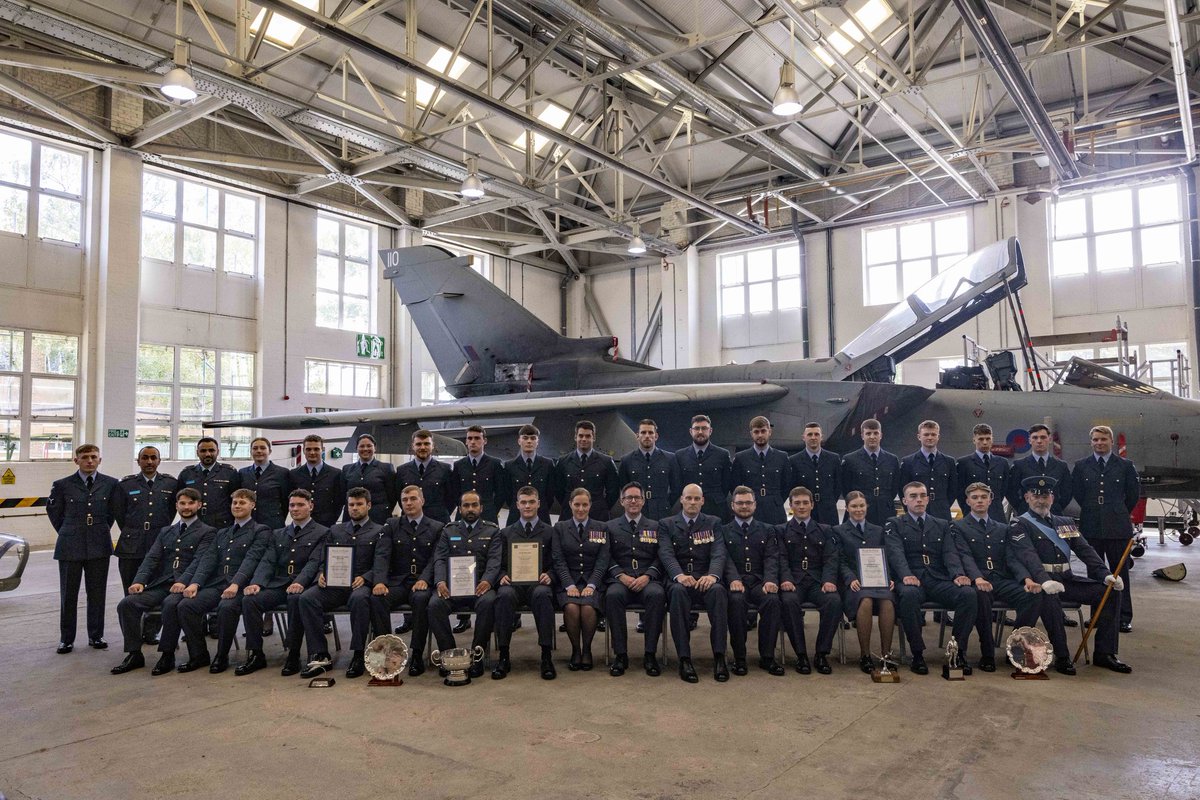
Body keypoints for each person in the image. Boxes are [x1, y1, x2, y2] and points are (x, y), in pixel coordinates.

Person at [1009, 475, 1131, 674]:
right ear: (1027, 498)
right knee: (1049, 600)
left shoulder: (1064, 523)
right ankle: (1062, 656)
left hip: (1067, 580)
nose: (1041, 500)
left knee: (1109, 592)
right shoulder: (1020, 525)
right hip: (1042, 584)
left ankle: (1105, 653)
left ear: (1052, 498)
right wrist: (1045, 580)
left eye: (1046, 495)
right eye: (1036, 495)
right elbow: (1028, 556)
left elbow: (1085, 550)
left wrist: (1105, 574)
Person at [111, 488, 216, 675]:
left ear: (199, 505)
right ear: (176, 506)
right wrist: (139, 581)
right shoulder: (167, 531)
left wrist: (184, 581)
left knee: (170, 605)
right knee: (127, 604)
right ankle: (134, 654)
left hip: (188, 586)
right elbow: (151, 559)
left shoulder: (208, 532)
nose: (186, 507)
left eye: (191, 503)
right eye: (182, 503)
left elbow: (199, 561)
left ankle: (167, 654)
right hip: (162, 584)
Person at [174, 488, 270, 674]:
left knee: (226, 607)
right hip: (219, 584)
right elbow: (208, 560)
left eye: (242, 502)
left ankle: (222, 655)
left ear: (252, 505)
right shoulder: (222, 534)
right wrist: (195, 583)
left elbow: (252, 558)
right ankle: (199, 654)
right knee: (186, 606)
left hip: (244, 586)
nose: (237, 506)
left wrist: (236, 583)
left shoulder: (260, 531)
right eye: (234, 502)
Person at [234, 489, 329, 676]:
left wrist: (301, 581)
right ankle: (255, 654)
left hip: (305, 584)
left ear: (311, 506)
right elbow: (268, 561)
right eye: (292, 505)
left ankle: (293, 654)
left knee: (295, 599)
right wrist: (257, 583)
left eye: (300, 505)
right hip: (279, 584)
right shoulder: (278, 533)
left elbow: (314, 562)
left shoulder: (322, 532)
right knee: (250, 600)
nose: (295, 509)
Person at [886, 482, 977, 675]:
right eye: (913, 496)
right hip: (911, 578)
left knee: (968, 594)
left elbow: (950, 553)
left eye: (922, 495)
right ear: (904, 501)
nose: (918, 499)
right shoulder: (895, 524)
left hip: (937, 578)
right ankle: (917, 653)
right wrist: (905, 575)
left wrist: (958, 575)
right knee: (908, 596)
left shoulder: (942, 524)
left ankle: (957, 652)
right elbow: (896, 553)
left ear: (928, 499)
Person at [296, 487, 385, 679]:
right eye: (351, 504)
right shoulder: (335, 530)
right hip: (334, 585)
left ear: (368, 505)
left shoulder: (379, 531)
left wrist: (367, 577)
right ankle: (320, 654)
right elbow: (322, 556)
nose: (355, 508)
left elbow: (382, 562)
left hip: (361, 585)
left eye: (359, 504)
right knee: (307, 598)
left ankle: (358, 654)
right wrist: (321, 573)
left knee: (359, 600)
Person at [952, 482, 1042, 671]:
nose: (979, 501)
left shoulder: (1002, 528)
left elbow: (1011, 558)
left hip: (1001, 579)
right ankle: (987, 653)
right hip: (979, 580)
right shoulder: (959, 527)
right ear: (967, 501)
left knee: (1032, 596)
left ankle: (1017, 648)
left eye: (983, 497)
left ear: (991, 500)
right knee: (981, 597)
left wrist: (1025, 579)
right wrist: (977, 578)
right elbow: (964, 556)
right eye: (975, 498)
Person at [48, 444, 122, 654]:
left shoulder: (110, 484)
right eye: (85, 457)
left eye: (93, 457)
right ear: (76, 460)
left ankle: (96, 635)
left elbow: (112, 513)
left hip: (99, 545)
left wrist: (98, 530)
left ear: (100, 460)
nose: (89, 461)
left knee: (97, 593)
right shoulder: (62, 485)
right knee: (68, 594)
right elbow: (55, 512)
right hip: (70, 545)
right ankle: (66, 639)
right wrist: (68, 531)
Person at [1071, 425, 1140, 633]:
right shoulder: (1082, 466)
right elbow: (1079, 494)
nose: (1099, 443)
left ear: (1112, 442)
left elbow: (1132, 496)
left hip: (1118, 527)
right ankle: (1097, 616)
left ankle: (1123, 617)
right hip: (1092, 525)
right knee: (1095, 573)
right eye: (1095, 440)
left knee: (1120, 572)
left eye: (1103, 439)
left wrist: (1116, 511)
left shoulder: (1125, 465)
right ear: (1091, 442)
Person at [659, 483, 728, 683]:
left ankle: (719, 657)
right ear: (681, 499)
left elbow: (718, 552)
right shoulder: (667, 524)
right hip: (679, 580)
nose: (692, 502)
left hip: (705, 579)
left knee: (718, 592)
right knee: (678, 593)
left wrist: (713, 575)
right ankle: (684, 659)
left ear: (703, 501)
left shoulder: (713, 522)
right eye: (688, 498)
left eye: (697, 499)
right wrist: (678, 575)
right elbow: (666, 553)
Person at [428, 491, 501, 678]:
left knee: (489, 602)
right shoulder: (448, 530)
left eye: (474, 505)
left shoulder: (492, 531)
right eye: (466, 505)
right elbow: (440, 559)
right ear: (460, 509)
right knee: (435, 604)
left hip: (480, 587)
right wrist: (440, 581)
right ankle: (449, 656)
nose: (470, 509)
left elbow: (494, 561)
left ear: (481, 508)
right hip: (452, 588)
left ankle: (477, 656)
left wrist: (487, 581)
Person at [372, 485, 441, 677]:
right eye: (405, 500)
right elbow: (382, 555)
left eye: (413, 499)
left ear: (422, 501)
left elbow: (436, 558)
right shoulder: (392, 525)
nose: (409, 503)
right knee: (378, 599)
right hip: (398, 582)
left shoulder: (436, 527)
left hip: (421, 582)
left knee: (421, 600)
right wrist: (379, 581)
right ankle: (386, 652)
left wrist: (425, 579)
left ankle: (417, 654)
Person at [831, 491, 902, 673]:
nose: (858, 509)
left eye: (861, 505)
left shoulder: (878, 530)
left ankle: (886, 655)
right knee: (866, 601)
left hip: (878, 580)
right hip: (855, 584)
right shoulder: (838, 531)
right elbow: (839, 561)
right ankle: (865, 655)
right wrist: (850, 578)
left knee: (887, 601)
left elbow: (887, 557)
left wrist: (890, 578)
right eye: (854, 506)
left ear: (867, 507)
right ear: (846, 508)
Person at [114, 446, 178, 644]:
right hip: (131, 546)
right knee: (131, 591)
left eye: (153, 458)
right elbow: (119, 513)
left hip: (160, 544)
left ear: (159, 461)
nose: (149, 462)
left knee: (158, 589)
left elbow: (171, 511)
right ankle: (131, 634)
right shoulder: (125, 484)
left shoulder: (170, 483)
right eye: (145, 458)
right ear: (138, 460)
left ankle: (151, 632)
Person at [494, 486, 558, 679]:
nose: (527, 506)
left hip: (538, 584)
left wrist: (551, 575)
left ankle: (546, 656)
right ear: (517, 505)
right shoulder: (505, 533)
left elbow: (558, 562)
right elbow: (498, 563)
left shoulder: (550, 532)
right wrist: (501, 576)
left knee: (543, 594)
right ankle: (504, 655)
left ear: (538, 503)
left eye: (531, 502)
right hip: (513, 584)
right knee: (503, 595)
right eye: (523, 502)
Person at [604, 482, 667, 677]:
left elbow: (662, 556)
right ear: (622, 501)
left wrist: (648, 575)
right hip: (620, 580)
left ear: (643, 500)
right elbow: (605, 557)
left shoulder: (656, 526)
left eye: (637, 498)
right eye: (629, 498)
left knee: (657, 595)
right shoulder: (610, 526)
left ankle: (650, 654)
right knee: (612, 596)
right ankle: (620, 655)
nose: (633, 501)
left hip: (647, 580)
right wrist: (620, 575)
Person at [777, 487, 842, 675]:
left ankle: (821, 653)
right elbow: (780, 558)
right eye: (797, 503)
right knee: (788, 601)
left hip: (817, 581)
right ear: (790, 505)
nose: (802, 506)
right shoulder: (781, 530)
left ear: (812, 505)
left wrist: (828, 580)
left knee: (834, 601)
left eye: (806, 502)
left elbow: (831, 558)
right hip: (794, 581)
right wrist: (786, 579)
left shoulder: (825, 529)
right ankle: (801, 654)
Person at [722, 487, 784, 676]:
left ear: (755, 505)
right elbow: (724, 558)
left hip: (759, 581)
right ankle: (740, 658)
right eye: (740, 503)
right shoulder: (723, 531)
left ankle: (767, 657)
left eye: (748, 502)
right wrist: (733, 579)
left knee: (772, 601)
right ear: (732, 506)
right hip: (736, 582)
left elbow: (772, 558)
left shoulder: (767, 530)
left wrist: (770, 580)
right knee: (736, 602)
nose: (744, 506)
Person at [838, 419, 901, 527]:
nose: (872, 437)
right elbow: (846, 488)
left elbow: (894, 487)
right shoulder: (850, 460)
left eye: (876, 433)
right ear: (862, 436)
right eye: (868, 433)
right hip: (860, 512)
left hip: (885, 512)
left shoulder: (892, 460)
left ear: (881, 435)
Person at [554, 420, 620, 522]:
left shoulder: (606, 462)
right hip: (569, 517)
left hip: (597, 517)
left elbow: (613, 491)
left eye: (588, 436)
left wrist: (601, 507)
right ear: (575, 437)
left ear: (594, 438)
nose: (584, 439)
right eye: (581, 436)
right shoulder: (563, 462)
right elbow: (558, 490)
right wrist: (570, 505)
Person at [730, 416, 791, 525]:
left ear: (769, 432)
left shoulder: (782, 457)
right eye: (756, 432)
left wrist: (778, 500)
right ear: (751, 433)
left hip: (775, 510)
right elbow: (735, 486)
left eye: (763, 431)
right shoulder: (741, 458)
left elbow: (787, 484)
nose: (760, 435)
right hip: (751, 510)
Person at [617, 419, 681, 522]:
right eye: (643, 432)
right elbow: (623, 487)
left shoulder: (670, 459)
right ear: (637, 436)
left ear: (656, 436)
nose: (647, 436)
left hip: (662, 513)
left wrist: (665, 503)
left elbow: (676, 488)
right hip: (638, 512)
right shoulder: (627, 460)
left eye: (650, 432)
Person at [674, 414, 733, 522]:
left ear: (710, 431)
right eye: (697, 428)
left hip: (716, 510)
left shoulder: (722, 455)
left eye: (704, 428)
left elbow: (726, 484)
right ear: (691, 431)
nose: (700, 432)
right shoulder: (680, 456)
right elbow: (677, 484)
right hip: (689, 511)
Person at [1007, 423, 1073, 516]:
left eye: (1043, 437)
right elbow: (1011, 492)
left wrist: (1056, 507)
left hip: (1053, 515)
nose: (1039, 441)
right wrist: (1022, 507)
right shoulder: (1019, 465)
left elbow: (1067, 493)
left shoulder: (1061, 466)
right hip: (1027, 515)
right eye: (1035, 438)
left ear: (1049, 439)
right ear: (1029, 440)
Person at [899, 420, 959, 520]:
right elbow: (902, 490)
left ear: (938, 437)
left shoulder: (949, 462)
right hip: (916, 511)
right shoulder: (908, 462)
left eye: (933, 434)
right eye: (926, 434)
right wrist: (910, 509)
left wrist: (943, 505)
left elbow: (953, 489)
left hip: (942, 513)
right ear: (919, 437)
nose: (930, 437)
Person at [177, 437, 241, 529]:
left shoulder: (229, 472)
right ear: (197, 452)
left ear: (217, 452)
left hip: (222, 525)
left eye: (211, 450)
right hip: (193, 524)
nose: (207, 454)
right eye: (203, 451)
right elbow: (180, 500)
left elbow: (235, 500)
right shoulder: (186, 473)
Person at [500, 424, 555, 525]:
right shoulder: (509, 466)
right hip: (516, 518)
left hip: (541, 517)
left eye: (533, 438)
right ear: (519, 441)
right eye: (525, 438)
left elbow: (550, 495)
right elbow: (508, 495)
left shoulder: (548, 464)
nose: (529, 441)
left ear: (537, 442)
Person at [396, 429, 455, 523]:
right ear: (413, 446)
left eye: (426, 444)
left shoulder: (445, 469)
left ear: (433, 446)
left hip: (438, 522)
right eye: (418, 444)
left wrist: (439, 513)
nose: (422, 447)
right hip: (411, 522)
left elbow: (451, 499)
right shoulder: (402, 470)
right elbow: (399, 498)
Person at [788, 422, 841, 526]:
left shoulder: (833, 459)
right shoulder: (794, 461)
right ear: (803, 437)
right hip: (805, 512)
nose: (813, 437)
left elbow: (838, 486)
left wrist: (828, 501)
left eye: (816, 434)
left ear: (822, 437)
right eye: (809, 434)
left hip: (828, 512)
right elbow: (792, 487)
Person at [955, 424, 1010, 522]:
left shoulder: (1002, 463)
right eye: (980, 439)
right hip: (972, 514)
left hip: (997, 515)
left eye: (988, 439)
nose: (985, 442)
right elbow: (960, 492)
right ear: (974, 440)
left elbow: (1003, 490)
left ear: (992, 439)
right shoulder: (964, 463)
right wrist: (967, 509)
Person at [288, 434, 344, 528]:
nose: (312, 452)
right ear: (303, 451)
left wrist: (332, 519)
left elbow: (339, 501)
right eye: (308, 449)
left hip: (326, 525)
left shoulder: (336, 473)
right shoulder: (294, 474)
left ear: (322, 450)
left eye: (316, 449)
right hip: (301, 524)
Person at [341, 434, 397, 524]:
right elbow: (342, 495)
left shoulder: (386, 468)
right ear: (356, 448)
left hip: (378, 518)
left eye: (369, 446)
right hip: (352, 518)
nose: (365, 449)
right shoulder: (347, 469)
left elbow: (392, 496)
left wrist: (383, 511)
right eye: (362, 446)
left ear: (375, 448)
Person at [239, 437, 289, 530]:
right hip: (248, 524)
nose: (259, 451)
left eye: (262, 448)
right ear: (251, 452)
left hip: (273, 525)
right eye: (255, 448)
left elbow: (285, 501)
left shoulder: (282, 473)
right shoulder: (242, 473)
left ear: (269, 451)